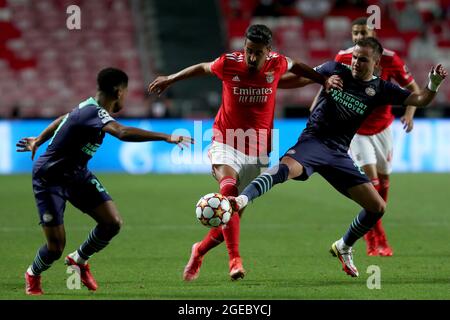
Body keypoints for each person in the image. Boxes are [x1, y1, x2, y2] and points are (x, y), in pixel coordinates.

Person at [229, 37, 447, 277]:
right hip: (313, 142)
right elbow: (297, 79)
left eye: (362, 59)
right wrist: (270, 81)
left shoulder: (381, 89)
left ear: (376, 64)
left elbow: (420, 99)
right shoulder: (334, 69)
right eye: (354, 57)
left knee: (377, 207)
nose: (355, 62)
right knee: (284, 169)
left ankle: (344, 246)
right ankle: (241, 200)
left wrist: (433, 84)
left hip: (338, 153)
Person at [148, 24, 342, 281]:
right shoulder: (229, 63)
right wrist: (170, 79)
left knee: (230, 213)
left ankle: (199, 250)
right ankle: (235, 260)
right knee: (227, 192)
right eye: (248, 50)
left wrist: (323, 80)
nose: (251, 57)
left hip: (259, 149)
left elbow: (298, 66)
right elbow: (203, 67)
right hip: (225, 141)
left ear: (268, 51)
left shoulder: (277, 63)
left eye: (257, 53)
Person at [17, 67, 193, 295]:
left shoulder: (87, 106)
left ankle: (78, 259)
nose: (126, 97)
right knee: (55, 247)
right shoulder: (94, 112)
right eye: (126, 92)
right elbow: (121, 132)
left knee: (112, 223)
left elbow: (63, 119)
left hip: (77, 174)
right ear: (119, 91)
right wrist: (166, 136)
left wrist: (39, 140)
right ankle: (32, 273)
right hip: (50, 179)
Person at [284, 17, 421, 256]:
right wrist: (316, 104)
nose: (357, 38)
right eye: (355, 33)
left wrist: (409, 114)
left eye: (362, 32)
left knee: (383, 182)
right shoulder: (344, 56)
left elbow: (414, 90)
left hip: (383, 128)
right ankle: (374, 239)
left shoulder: (390, 58)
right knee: (370, 182)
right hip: (355, 131)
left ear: (373, 34)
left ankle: (376, 230)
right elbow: (326, 82)